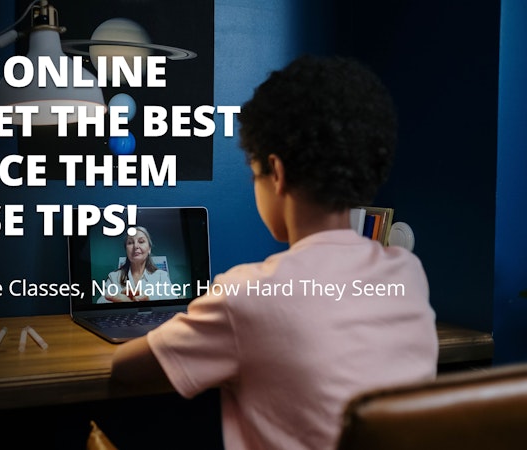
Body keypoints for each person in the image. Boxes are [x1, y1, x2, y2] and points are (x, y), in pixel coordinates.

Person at [110, 55, 438, 450]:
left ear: (276, 173)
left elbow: (125, 368)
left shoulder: (245, 295)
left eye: (254, 174)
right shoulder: (408, 274)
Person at [97, 226, 177, 303]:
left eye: (141, 241)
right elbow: (101, 304)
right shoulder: (114, 277)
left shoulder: (161, 276)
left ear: (149, 249)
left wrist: (148, 304)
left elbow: (173, 307)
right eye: (130, 242)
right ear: (126, 250)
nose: (135, 246)